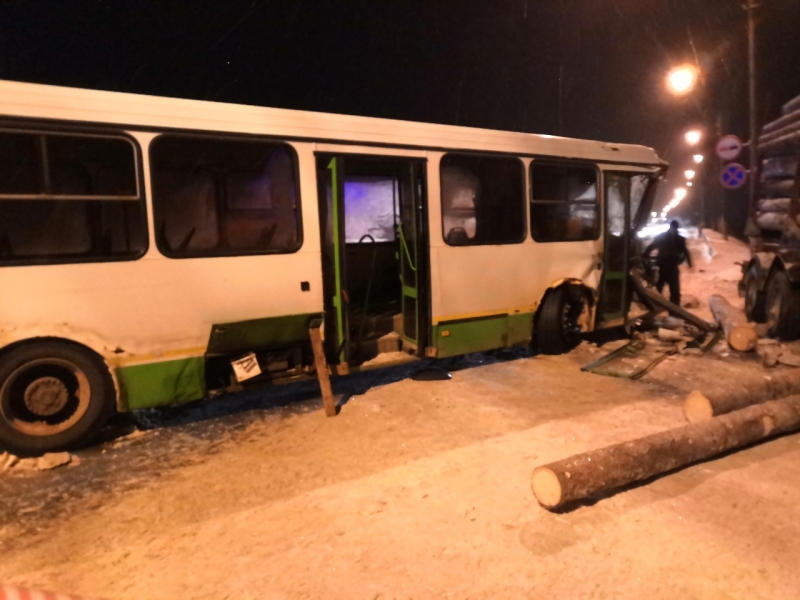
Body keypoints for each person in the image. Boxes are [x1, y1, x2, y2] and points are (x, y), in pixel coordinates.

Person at [642, 220, 692, 305]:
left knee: (663, 286)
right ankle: (670, 306)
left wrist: (645, 254)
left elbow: (652, 246)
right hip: (668, 266)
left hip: (666, 265)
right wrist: (687, 262)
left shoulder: (666, 237)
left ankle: (656, 304)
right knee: (671, 288)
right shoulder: (677, 238)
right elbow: (685, 251)